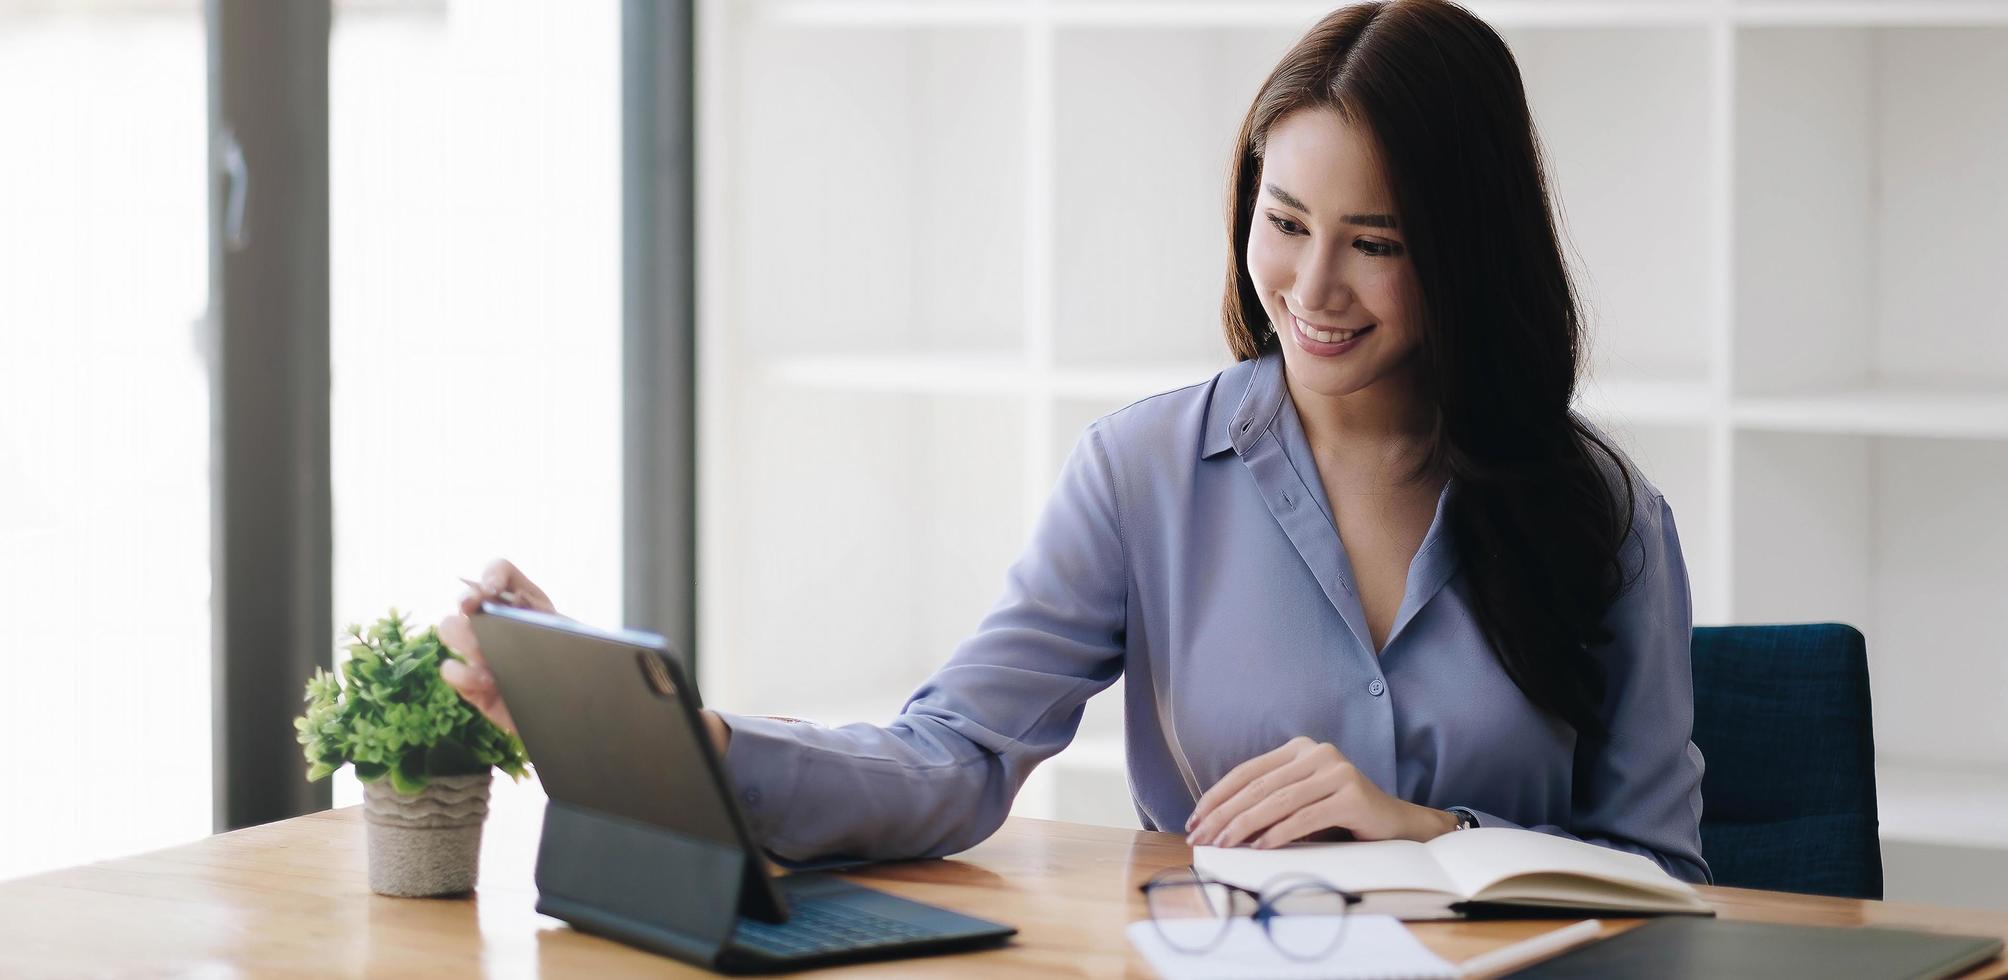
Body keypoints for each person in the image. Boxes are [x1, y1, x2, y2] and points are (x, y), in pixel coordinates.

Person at [440, 0, 1710, 883]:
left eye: (1375, 243)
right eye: (1284, 221)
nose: (1313, 285)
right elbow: (955, 757)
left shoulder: (1600, 515)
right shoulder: (1143, 475)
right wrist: (690, 737)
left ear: (1466, 251)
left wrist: (1428, 826)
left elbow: (1666, 877)